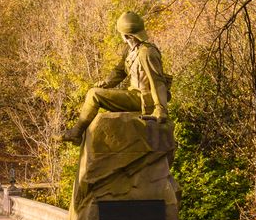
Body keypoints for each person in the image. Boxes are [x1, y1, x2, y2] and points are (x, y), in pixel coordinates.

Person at [60, 10, 172, 144]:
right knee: (97, 91)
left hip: (143, 99)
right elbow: (119, 71)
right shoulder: (130, 50)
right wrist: (107, 83)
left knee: (94, 94)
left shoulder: (146, 52)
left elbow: (157, 81)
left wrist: (160, 109)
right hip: (132, 94)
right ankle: (77, 133)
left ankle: (76, 133)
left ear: (127, 36)